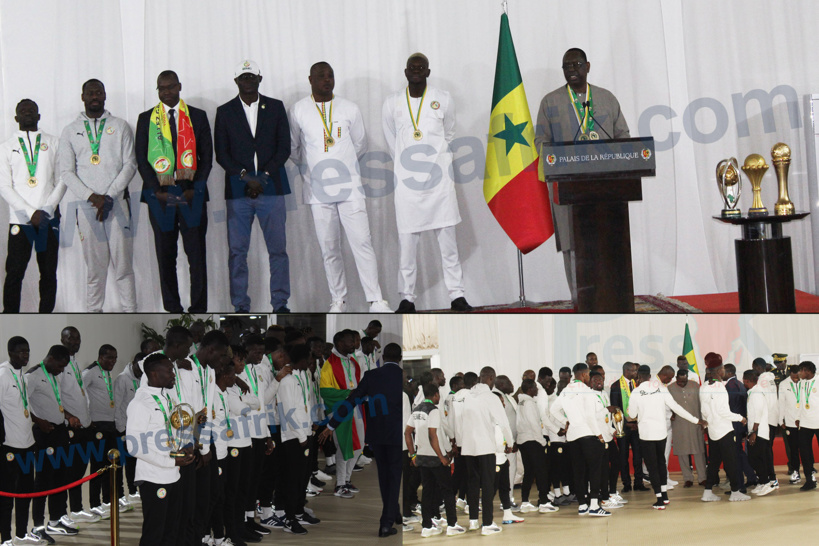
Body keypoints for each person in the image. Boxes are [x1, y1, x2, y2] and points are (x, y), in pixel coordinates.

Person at [289, 61, 391, 313]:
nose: (327, 80)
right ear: (310, 79)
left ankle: (375, 300)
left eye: (331, 75)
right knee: (329, 248)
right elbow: (294, 149)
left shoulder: (349, 108)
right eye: (321, 76)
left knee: (362, 243)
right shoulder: (298, 110)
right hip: (317, 191)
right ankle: (338, 300)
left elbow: (360, 144)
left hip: (350, 189)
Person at [534, 48, 630, 296]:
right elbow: (541, 141)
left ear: (587, 66)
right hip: (567, 187)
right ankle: (580, 299)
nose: (572, 70)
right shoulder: (550, 101)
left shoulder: (606, 98)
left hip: (604, 186)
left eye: (576, 64)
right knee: (572, 245)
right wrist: (560, 160)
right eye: (566, 66)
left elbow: (623, 136)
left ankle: (609, 296)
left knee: (606, 242)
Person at [382, 53, 472, 313]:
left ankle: (457, 295)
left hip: (439, 183)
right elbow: (391, 140)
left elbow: (450, 132)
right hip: (408, 186)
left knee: (449, 244)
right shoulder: (392, 103)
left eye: (421, 67)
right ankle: (407, 298)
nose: (417, 71)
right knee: (407, 245)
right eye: (413, 67)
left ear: (428, 72)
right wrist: (408, 164)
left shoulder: (442, 98)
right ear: (406, 71)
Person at [214, 60, 291, 313]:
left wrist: (264, 176)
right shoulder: (224, 111)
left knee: (278, 251)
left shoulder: (276, 107)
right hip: (239, 192)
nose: (247, 81)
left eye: (252, 76)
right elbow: (222, 154)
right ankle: (240, 306)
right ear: (236, 81)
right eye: (243, 77)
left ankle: (280, 304)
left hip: (272, 188)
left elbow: (284, 148)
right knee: (237, 253)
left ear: (260, 78)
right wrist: (247, 177)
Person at [136, 70, 213, 313]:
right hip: (160, 197)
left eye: (170, 87)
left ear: (179, 86)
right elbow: (141, 159)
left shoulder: (197, 117)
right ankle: (172, 308)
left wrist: (196, 190)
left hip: (191, 195)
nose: (167, 92)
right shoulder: (146, 118)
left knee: (196, 257)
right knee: (165, 256)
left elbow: (207, 157)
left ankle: (198, 308)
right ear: (157, 90)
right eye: (162, 88)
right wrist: (156, 191)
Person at [60, 79, 137, 312]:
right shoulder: (70, 131)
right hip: (86, 208)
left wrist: (109, 196)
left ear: (105, 95)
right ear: (82, 97)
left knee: (123, 267)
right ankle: (94, 314)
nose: (95, 96)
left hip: (118, 205)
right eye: (90, 92)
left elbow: (130, 164)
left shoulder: (120, 126)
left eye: (99, 92)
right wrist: (93, 197)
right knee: (95, 269)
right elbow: (66, 172)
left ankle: (130, 312)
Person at [320, 343, 405, 538]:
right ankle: (386, 522)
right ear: (400, 358)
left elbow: (351, 400)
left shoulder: (371, 376)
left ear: (382, 357)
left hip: (377, 435)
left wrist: (331, 425)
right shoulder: (403, 377)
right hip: (397, 436)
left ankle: (395, 512)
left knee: (385, 476)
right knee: (394, 478)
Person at [0, 99, 65, 313]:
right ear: (16, 118)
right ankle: (9, 316)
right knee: (15, 273)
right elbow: (4, 186)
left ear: (39, 116)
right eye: (22, 111)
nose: (27, 113)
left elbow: (62, 179)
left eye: (32, 110)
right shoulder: (6, 148)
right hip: (19, 221)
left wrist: (46, 210)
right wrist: (30, 213)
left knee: (48, 273)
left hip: (48, 219)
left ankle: (45, 314)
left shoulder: (54, 143)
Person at [127, 352, 196, 546]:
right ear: (154, 374)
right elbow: (134, 446)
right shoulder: (140, 404)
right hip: (153, 477)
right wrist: (172, 460)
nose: (174, 374)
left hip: (173, 475)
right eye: (169, 370)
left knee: (171, 531)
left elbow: (170, 432)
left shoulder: (167, 399)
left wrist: (184, 448)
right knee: (154, 533)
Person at [627, 365, 704, 509]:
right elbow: (677, 408)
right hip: (661, 433)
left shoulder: (636, 392)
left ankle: (659, 500)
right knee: (661, 463)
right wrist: (696, 420)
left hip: (647, 435)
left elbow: (631, 415)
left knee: (652, 466)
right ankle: (665, 495)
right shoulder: (662, 388)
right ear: (650, 376)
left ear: (638, 377)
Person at [27, 345, 79, 542]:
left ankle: (55, 521)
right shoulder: (32, 375)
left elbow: (55, 402)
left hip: (59, 432)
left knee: (61, 478)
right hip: (43, 434)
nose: (61, 370)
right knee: (43, 481)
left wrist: (68, 416)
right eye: (60, 366)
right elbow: (22, 402)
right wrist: (38, 420)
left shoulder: (53, 374)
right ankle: (37, 527)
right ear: (51, 358)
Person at [403, 382, 464, 538]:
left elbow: (407, 433)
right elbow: (433, 435)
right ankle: (452, 524)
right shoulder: (434, 411)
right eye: (438, 395)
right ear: (435, 395)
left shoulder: (416, 410)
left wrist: (413, 455)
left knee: (427, 492)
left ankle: (427, 526)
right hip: (435, 458)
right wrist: (441, 456)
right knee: (447, 491)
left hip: (422, 457)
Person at [0, 337, 44, 545]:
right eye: (20, 352)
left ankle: (22, 534)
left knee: (26, 492)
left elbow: (24, 407)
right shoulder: (2, 375)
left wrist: (39, 420)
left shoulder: (24, 378)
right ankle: (6, 538)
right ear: (10, 353)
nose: (25, 355)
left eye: (27, 351)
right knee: (7, 496)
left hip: (28, 445)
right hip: (9, 446)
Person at [550, 363, 609, 517]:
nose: (589, 377)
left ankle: (583, 505)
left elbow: (553, 410)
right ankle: (595, 506)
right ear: (583, 375)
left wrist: (566, 422)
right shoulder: (587, 391)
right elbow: (590, 416)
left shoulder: (565, 391)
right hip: (589, 435)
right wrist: (599, 434)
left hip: (573, 438)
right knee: (595, 471)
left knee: (579, 472)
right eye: (588, 374)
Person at [461, 366, 513, 534]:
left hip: (468, 447)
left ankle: (474, 521)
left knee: (473, 484)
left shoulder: (467, 396)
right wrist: (510, 442)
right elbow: (504, 423)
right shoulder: (491, 398)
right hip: (485, 446)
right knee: (488, 484)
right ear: (491, 378)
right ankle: (488, 523)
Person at [59, 327, 101, 524]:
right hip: (70, 429)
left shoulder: (74, 362)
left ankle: (76, 509)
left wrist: (88, 418)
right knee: (67, 473)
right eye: (71, 338)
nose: (75, 341)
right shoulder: (59, 363)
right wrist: (68, 417)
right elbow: (56, 396)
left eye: (78, 338)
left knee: (78, 471)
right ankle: (61, 514)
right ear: (62, 339)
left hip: (84, 427)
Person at [700, 352, 749, 502]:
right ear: (719, 370)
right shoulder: (720, 387)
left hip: (713, 430)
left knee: (714, 462)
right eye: (722, 367)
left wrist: (709, 422)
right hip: (724, 430)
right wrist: (740, 418)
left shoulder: (704, 387)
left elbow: (704, 411)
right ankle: (735, 492)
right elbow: (723, 411)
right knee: (731, 461)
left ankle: (707, 492)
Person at [82, 344, 122, 517]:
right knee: (97, 465)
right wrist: (87, 418)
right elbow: (80, 392)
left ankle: (108, 500)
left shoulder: (106, 372)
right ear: (100, 357)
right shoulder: (90, 372)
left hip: (110, 425)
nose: (113, 361)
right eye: (109, 358)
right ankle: (94, 503)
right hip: (97, 426)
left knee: (110, 464)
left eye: (115, 358)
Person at [516, 378, 558, 514]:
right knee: (541, 472)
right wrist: (542, 441)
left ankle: (525, 502)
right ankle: (544, 502)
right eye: (535, 388)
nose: (537, 390)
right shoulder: (529, 403)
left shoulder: (521, 402)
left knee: (529, 472)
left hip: (523, 440)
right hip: (533, 440)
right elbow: (534, 424)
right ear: (530, 389)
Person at [667, 369, 707, 487]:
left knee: (699, 451)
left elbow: (702, 405)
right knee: (682, 453)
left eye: (684, 381)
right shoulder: (670, 388)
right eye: (680, 382)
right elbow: (667, 406)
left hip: (696, 424)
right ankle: (688, 478)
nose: (682, 384)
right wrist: (671, 414)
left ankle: (702, 478)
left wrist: (703, 422)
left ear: (687, 377)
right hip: (679, 425)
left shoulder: (695, 386)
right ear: (676, 378)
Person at [609, 362, 645, 492]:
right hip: (623, 427)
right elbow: (615, 408)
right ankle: (626, 484)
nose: (636, 373)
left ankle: (639, 483)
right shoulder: (616, 386)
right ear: (627, 371)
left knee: (638, 455)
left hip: (636, 427)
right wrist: (627, 423)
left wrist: (636, 422)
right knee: (623, 456)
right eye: (634, 371)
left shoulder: (637, 385)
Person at [114, 351, 144, 507]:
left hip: (139, 429)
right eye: (139, 367)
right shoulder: (122, 379)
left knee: (135, 461)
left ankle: (134, 490)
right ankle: (123, 495)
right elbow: (117, 405)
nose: (141, 370)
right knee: (123, 463)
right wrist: (121, 429)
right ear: (134, 363)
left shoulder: (143, 379)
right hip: (124, 428)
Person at [724, 364, 757, 494]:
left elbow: (728, 408)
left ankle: (739, 486)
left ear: (728, 372)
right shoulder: (739, 384)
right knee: (740, 454)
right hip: (740, 424)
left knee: (735, 456)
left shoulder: (730, 386)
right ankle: (751, 477)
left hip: (734, 425)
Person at [743, 370, 775, 496]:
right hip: (756, 431)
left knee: (757, 459)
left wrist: (754, 432)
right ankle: (762, 483)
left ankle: (766, 483)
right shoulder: (753, 392)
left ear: (747, 380)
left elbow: (758, 413)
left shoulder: (756, 393)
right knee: (754, 458)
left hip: (759, 432)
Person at [751, 357, 779, 488]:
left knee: (764, 452)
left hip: (765, 420)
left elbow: (762, 403)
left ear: (757, 367)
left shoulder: (762, 380)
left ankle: (770, 478)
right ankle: (770, 477)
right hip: (771, 419)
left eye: (753, 367)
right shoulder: (771, 379)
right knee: (767, 450)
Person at [796, 361, 819, 491]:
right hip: (805, 423)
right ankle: (810, 480)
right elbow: (801, 400)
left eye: (801, 371)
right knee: (805, 452)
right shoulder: (802, 383)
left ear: (807, 371)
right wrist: (798, 417)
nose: (799, 373)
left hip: (818, 421)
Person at [778, 365, 802, 484]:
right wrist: (781, 420)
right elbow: (781, 403)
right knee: (793, 449)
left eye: (797, 377)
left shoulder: (805, 382)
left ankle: (810, 470)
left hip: (805, 422)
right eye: (793, 377)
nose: (795, 379)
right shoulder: (783, 384)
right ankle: (795, 471)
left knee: (805, 448)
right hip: (790, 421)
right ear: (790, 374)